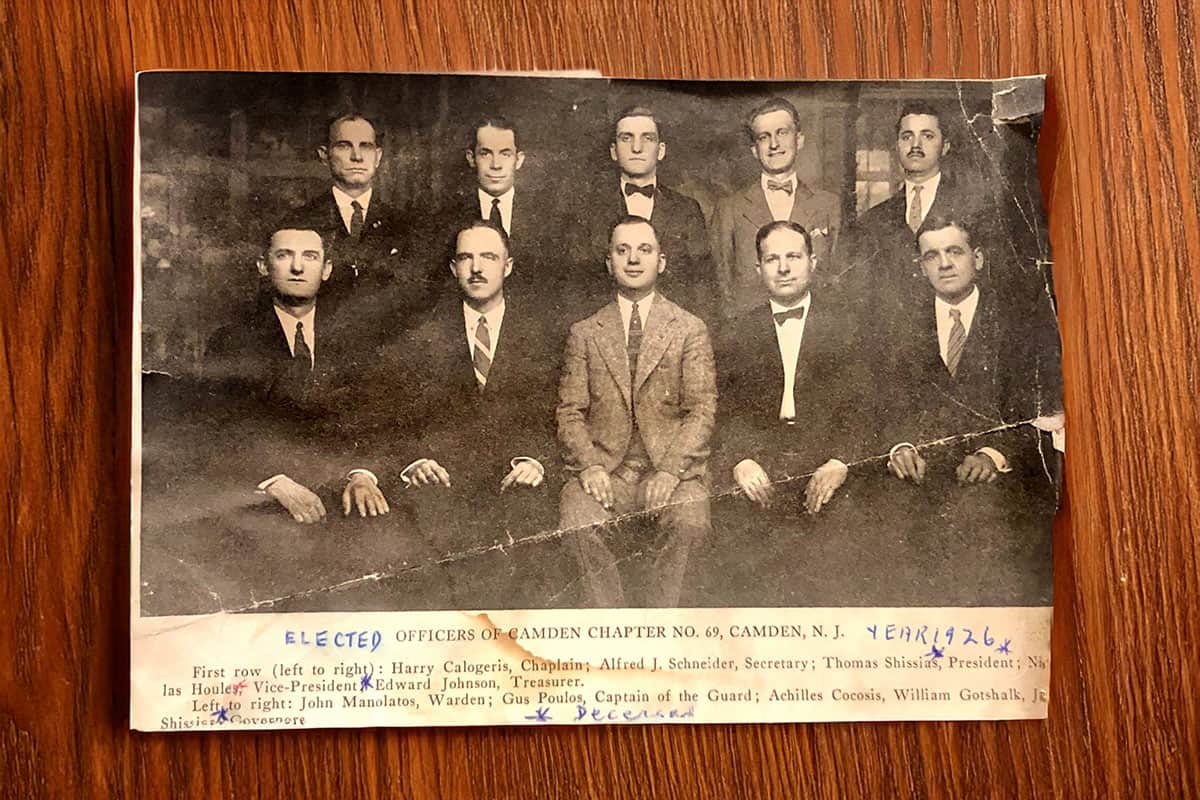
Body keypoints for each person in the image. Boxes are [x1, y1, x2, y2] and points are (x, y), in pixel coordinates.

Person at [342, 220, 562, 608]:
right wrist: (415, 460)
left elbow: (557, 413)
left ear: (507, 266)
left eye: (488, 257)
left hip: (515, 480)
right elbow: (392, 417)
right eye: (466, 258)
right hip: (443, 483)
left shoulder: (543, 334)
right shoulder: (419, 336)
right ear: (452, 269)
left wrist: (536, 460)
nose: (477, 268)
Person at [878, 216, 1059, 604]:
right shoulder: (899, 325)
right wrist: (900, 446)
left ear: (977, 258)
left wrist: (994, 455)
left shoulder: (1020, 323)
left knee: (985, 530)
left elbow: (1040, 410)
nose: (944, 263)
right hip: (921, 475)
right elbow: (886, 404)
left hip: (1000, 476)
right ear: (921, 267)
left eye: (954, 251)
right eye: (932, 255)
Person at [557, 216, 717, 607]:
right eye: (622, 250)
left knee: (690, 520)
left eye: (644, 250)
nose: (633, 259)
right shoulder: (585, 332)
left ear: (661, 261)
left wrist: (668, 470)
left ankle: (663, 630)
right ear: (608, 262)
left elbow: (702, 410)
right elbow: (569, 412)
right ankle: (613, 629)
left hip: (673, 471)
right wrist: (590, 465)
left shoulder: (689, 328)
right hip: (605, 471)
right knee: (578, 523)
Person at [203, 226, 360, 524]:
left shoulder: (353, 339)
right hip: (268, 501)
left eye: (310, 257)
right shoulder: (231, 342)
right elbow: (219, 431)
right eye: (284, 255)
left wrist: (362, 474)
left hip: (342, 493)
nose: (298, 267)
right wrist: (274, 480)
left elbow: (369, 419)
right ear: (263, 266)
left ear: (326, 269)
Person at [284, 112, 438, 328]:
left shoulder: (408, 225)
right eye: (344, 146)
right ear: (324, 155)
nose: (357, 156)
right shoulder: (298, 223)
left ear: (378, 156)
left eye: (365, 146)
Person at [570, 106, 716, 321]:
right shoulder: (586, 210)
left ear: (661, 150)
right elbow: (575, 288)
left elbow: (703, 290)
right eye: (626, 138)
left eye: (647, 138)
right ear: (613, 150)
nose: (636, 148)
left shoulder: (686, 210)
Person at [710, 97, 841, 320]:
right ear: (754, 149)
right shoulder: (729, 209)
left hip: (815, 333)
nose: (774, 145)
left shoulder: (829, 205)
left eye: (782, 133)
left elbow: (837, 279)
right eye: (764, 137)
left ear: (799, 140)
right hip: (750, 334)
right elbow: (722, 286)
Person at [426, 116, 563, 308]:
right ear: (471, 158)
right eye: (485, 153)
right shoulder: (444, 219)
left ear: (519, 159)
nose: (496, 165)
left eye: (505, 154)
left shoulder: (548, 218)